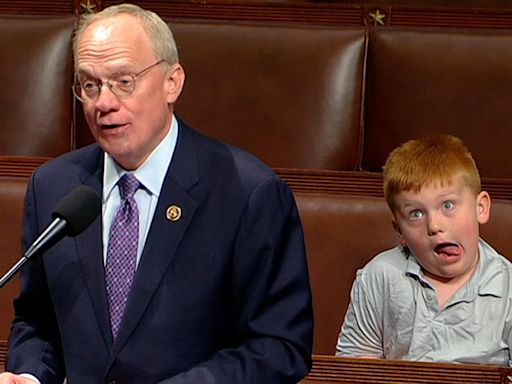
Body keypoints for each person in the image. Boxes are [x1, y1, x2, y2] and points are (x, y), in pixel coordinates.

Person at [0, 3, 313, 383]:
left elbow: (279, 345)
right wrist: (31, 375)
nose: (104, 103)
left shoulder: (248, 193)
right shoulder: (52, 188)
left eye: (124, 81)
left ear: (172, 82)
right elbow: (37, 321)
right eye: (90, 85)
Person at [336, 134, 512, 365]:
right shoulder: (380, 275)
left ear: (481, 208)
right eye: (416, 214)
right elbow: (355, 363)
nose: (434, 226)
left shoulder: (507, 286)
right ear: (399, 230)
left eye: (448, 205)